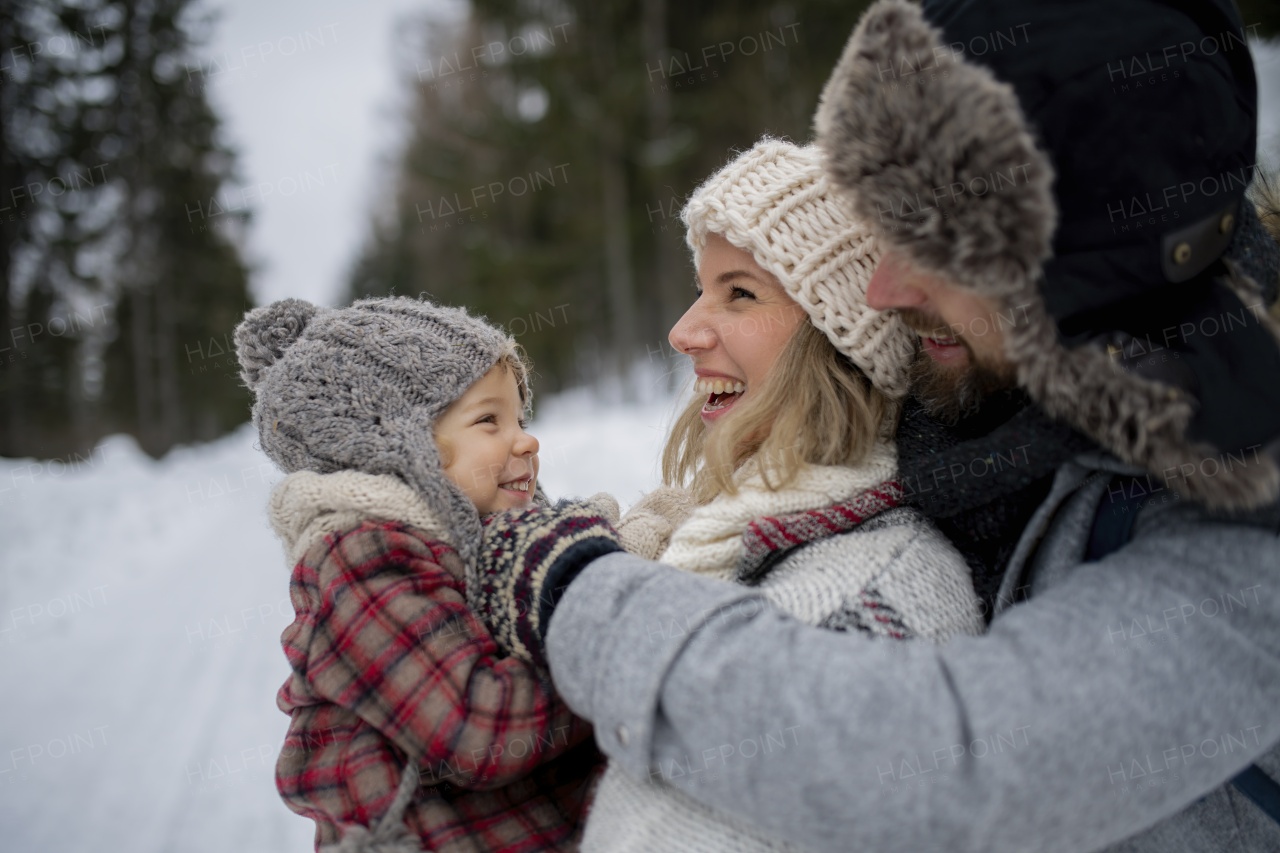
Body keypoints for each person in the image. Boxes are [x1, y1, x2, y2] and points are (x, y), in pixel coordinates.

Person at [463, 1, 1280, 851]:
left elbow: (951, 760)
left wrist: (578, 591)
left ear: (1077, 261)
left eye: (934, 243)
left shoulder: (1243, 527)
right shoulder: (988, 442)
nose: (882, 291)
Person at [568, 138, 983, 850]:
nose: (683, 330)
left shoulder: (868, 602)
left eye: (740, 292)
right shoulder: (712, 536)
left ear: (841, 341)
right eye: (700, 289)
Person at [233, 296, 609, 852]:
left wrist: (613, 546)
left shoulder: (466, 536)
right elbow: (481, 728)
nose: (527, 439)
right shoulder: (363, 561)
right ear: (395, 443)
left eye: (520, 418)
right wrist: (621, 651)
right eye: (489, 420)